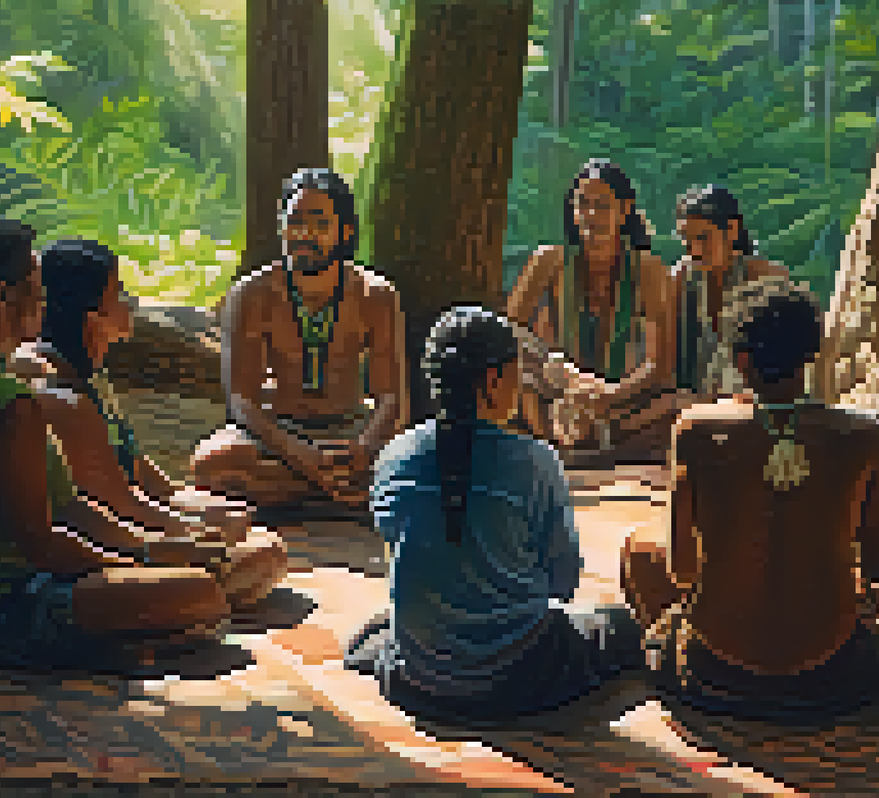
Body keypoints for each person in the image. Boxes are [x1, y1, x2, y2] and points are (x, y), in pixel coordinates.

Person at [0, 218, 256, 673]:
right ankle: (105, 645)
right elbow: (42, 548)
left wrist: (156, 548)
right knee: (200, 593)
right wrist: (144, 561)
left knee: (193, 577)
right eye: (36, 287)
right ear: (4, 298)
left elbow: (73, 509)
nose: (45, 303)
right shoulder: (8, 404)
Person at [621, 277, 879, 721]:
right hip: (830, 674)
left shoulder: (697, 429)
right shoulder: (862, 436)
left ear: (742, 359)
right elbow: (878, 570)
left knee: (640, 547)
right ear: (812, 353)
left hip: (717, 674)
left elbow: (681, 571)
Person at [344, 307, 643, 723]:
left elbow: (403, 551)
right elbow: (564, 582)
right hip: (520, 679)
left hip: (420, 682)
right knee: (624, 627)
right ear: (493, 381)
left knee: (380, 631)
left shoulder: (394, 457)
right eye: (516, 375)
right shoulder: (536, 461)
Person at [12, 238, 286, 611]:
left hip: (131, 523)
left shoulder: (92, 376)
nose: (131, 303)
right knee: (261, 553)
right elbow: (118, 507)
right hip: (104, 544)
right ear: (93, 318)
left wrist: (201, 510)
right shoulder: (61, 398)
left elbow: (142, 474)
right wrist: (191, 532)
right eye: (119, 293)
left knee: (250, 532)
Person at [191, 168, 407, 521]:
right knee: (211, 464)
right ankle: (338, 492)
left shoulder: (376, 294)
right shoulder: (251, 294)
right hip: (280, 432)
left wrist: (364, 448)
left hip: (351, 431)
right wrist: (300, 455)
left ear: (345, 232)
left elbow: (393, 398)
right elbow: (242, 401)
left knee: (415, 463)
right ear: (281, 226)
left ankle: (308, 490)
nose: (305, 234)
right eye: (295, 222)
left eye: (320, 224)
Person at [506, 159, 679, 462]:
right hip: (557, 394)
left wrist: (606, 396)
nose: (590, 215)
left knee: (680, 404)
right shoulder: (547, 261)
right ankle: (583, 442)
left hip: (622, 400)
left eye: (601, 205)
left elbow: (658, 365)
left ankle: (581, 442)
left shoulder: (649, 271)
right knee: (511, 370)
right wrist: (563, 377)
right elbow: (505, 335)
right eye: (582, 204)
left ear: (624, 211)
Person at [672, 184, 791, 399]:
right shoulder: (682, 279)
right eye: (686, 240)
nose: (694, 250)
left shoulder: (767, 281)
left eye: (703, 238)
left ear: (732, 230)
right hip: (692, 404)